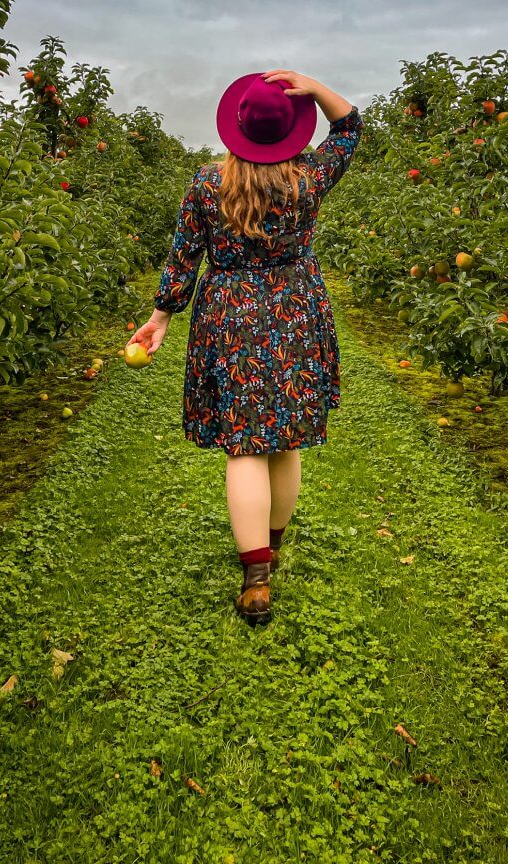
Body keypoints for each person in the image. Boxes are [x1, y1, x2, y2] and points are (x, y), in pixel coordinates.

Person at [128, 69, 364, 624]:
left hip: (230, 317)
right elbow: (351, 128)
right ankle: (272, 549)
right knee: (286, 442)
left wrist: (160, 316)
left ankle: (256, 582)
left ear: (235, 126)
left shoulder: (209, 184)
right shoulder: (308, 178)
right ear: (291, 129)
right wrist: (313, 86)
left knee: (245, 446)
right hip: (294, 312)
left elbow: (185, 255)